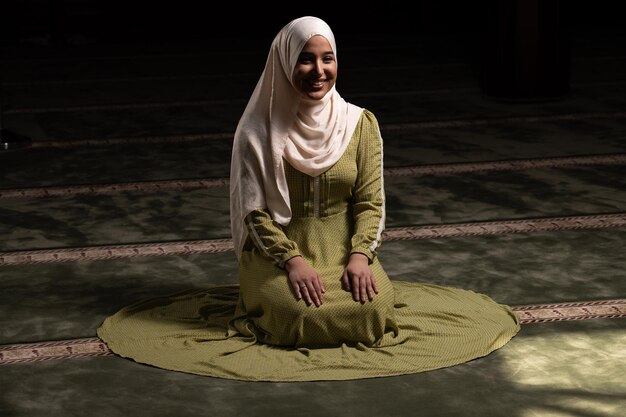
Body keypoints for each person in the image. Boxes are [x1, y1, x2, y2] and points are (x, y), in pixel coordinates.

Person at [98, 16, 520, 382]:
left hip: (342, 247)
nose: (318, 70)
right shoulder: (256, 132)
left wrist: (359, 255)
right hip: (276, 251)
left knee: (373, 310)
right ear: (284, 63)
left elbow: (370, 202)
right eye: (305, 58)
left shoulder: (359, 124)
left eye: (327, 58)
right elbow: (255, 213)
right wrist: (293, 262)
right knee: (298, 314)